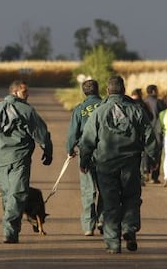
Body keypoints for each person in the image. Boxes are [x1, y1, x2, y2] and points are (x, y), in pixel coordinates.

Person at [79, 76, 158, 254]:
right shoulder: (136, 110)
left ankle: (113, 242)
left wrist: (84, 161)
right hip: (130, 163)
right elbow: (149, 136)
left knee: (110, 202)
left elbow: (87, 140)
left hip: (106, 164)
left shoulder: (99, 112)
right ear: (123, 90)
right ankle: (129, 228)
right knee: (131, 197)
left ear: (107, 91)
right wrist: (153, 159)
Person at [0, 80, 53, 244]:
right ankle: (9, 230)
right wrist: (48, 151)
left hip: (0, 160)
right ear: (14, 92)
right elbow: (42, 133)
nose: (28, 95)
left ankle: (10, 230)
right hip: (19, 159)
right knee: (17, 194)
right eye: (24, 92)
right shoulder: (27, 110)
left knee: (8, 195)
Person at [66, 79, 103, 236]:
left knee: (88, 190)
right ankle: (103, 219)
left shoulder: (80, 109)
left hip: (86, 153)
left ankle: (88, 225)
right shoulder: (105, 106)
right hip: (105, 153)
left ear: (84, 92)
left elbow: (73, 133)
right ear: (98, 89)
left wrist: (70, 149)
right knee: (105, 188)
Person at [144, 84, 167, 183]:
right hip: (157, 130)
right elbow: (166, 112)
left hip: (145, 130)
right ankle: (154, 176)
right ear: (153, 91)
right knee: (157, 153)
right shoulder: (159, 102)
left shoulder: (143, 102)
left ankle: (145, 172)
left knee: (145, 152)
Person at [130, 88, 153, 186]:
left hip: (130, 135)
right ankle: (142, 177)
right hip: (140, 135)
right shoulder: (143, 105)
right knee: (142, 156)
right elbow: (150, 117)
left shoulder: (128, 104)